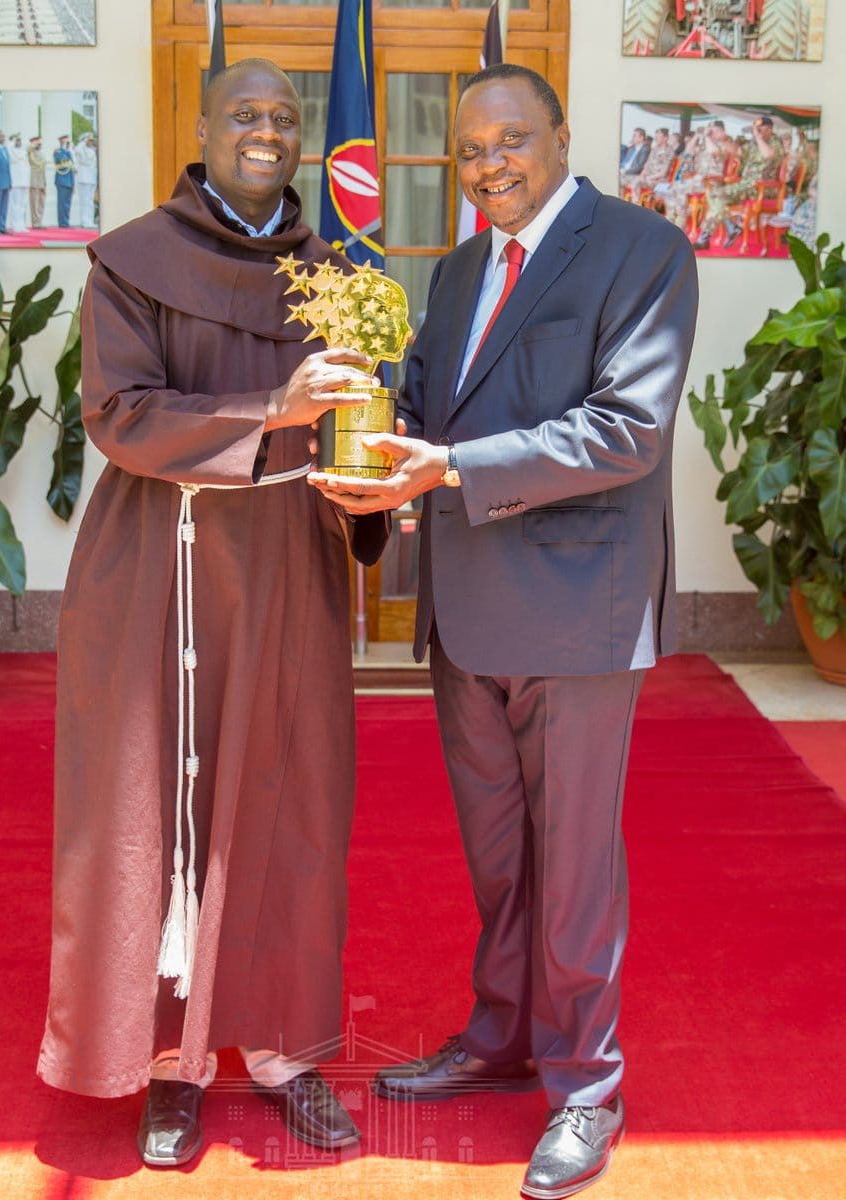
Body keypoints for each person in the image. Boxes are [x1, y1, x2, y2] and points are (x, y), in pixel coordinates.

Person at [310, 62, 698, 1200]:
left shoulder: (641, 253)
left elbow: (625, 429)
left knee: (573, 866)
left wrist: (447, 468)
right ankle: (502, 1036)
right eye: (472, 148)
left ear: (559, 136)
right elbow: (426, 407)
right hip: (468, 614)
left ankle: (585, 1085)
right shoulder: (458, 267)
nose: (489, 165)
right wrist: (367, 451)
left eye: (511, 141)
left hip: (579, 615)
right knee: (499, 859)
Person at [36, 58, 388, 1169]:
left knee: (290, 800)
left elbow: (356, 413)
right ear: (201, 128)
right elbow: (120, 411)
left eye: (286, 119)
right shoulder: (132, 261)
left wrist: (375, 476)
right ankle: (171, 1068)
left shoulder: (333, 270)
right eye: (246, 113)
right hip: (160, 565)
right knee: (159, 810)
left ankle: (284, 1051)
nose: (269, 132)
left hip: (288, 555)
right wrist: (269, 408)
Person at [694, 114, 779, 250]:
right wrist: (725, 139)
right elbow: (737, 152)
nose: (757, 131)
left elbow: (768, 155)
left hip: (761, 187)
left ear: (769, 130)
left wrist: (758, 137)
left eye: (761, 129)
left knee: (718, 195)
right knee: (714, 194)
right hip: (746, 185)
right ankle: (729, 227)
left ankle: (707, 237)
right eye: (756, 129)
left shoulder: (775, 143)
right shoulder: (753, 144)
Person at [72, 131, 98, 227]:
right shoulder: (80, 149)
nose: (90, 142)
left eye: (91, 140)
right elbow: (77, 150)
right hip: (83, 178)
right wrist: (83, 141)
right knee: (84, 201)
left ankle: (90, 220)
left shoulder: (91, 150)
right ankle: (84, 220)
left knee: (90, 201)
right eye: (89, 140)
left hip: (91, 178)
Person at [7, 132, 30, 233]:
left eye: (19, 140)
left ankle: (21, 225)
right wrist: (12, 140)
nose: (19, 141)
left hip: (24, 182)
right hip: (15, 182)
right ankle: (15, 225)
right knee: (15, 205)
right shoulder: (10, 151)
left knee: (23, 204)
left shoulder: (23, 152)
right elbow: (8, 148)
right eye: (17, 140)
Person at [53, 134, 74, 227]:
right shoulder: (58, 151)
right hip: (61, 180)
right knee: (62, 203)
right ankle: (62, 223)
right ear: (61, 142)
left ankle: (66, 221)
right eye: (66, 141)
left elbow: (71, 167)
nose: (67, 143)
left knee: (67, 204)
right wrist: (63, 149)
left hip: (69, 180)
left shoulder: (69, 152)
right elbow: (60, 161)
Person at [28, 135, 46, 228]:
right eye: (38, 143)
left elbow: (43, 168)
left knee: (41, 203)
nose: (40, 145)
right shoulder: (30, 152)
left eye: (40, 143)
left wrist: (45, 182)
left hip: (42, 181)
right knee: (34, 203)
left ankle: (39, 221)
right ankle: (35, 222)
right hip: (34, 181)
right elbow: (27, 148)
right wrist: (33, 145)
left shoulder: (42, 153)